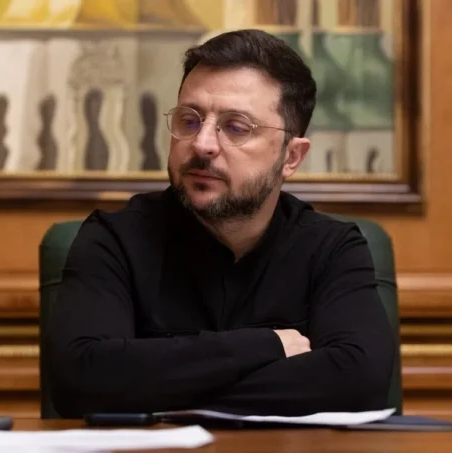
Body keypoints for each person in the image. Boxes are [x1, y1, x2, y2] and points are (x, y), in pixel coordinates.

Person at [45, 29, 395, 418]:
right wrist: (265, 346)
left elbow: (359, 382)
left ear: (291, 157)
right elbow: (80, 380)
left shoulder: (332, 248)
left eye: (236, 127)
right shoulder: (115, 239)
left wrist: (157, 386)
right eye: (189, 120)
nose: (202, 144)